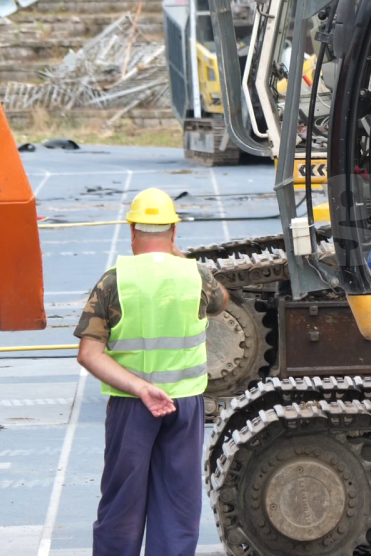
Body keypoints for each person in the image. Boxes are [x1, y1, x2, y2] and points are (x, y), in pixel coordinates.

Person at [74, 187, 229, 556]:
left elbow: (89, 354)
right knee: (178, 503)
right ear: (174, 231)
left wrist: (141, 388)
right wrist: (181, 257)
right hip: (186, 406)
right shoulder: (197, 276)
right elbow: (222, 302)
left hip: (132, 406)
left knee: (122, 503)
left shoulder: (113, 281)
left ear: (132, 230)